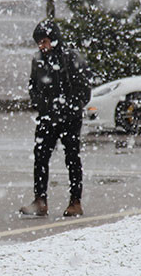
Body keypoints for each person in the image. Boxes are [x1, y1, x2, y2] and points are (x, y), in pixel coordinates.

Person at [20, 19, 94, 217]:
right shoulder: (38, 60)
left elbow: (84, 88)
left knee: (72, 158)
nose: (42, 46)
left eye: (44, 41)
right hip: (46, 117)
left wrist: (70, 107)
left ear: (54, 39)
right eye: (39, 43)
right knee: (40, 157)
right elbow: (33, 85)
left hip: (70, 118)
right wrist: (40, 105)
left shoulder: (70, 57)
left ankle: (75, 201)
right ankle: (40, 200)